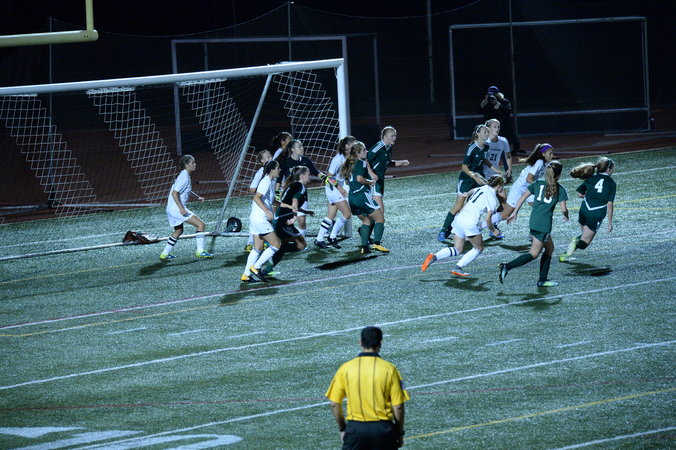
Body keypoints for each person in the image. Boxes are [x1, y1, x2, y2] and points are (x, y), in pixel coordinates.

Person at [326, 326, 410, 449]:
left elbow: (334, 404)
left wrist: (343, 428)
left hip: (355, 429)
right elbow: (398, 406)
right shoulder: (390, 369)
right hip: (383, 430)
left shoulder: (345, 368)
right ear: (380, 342)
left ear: (360, 342)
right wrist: (399, 432)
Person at [499, 161, 569, 287]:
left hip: (534, 221)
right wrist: (566, 215)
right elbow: (564, 209)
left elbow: (522, 196)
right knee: (534, 253)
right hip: (544, 225)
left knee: (549, 248)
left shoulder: (537, 184)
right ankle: (507, 266)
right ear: (558, 175)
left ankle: (542, 279)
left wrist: (515, 213)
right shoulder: (560, 189)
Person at [422, 175, 504, 276]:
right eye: (503, 185)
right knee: (478, 248)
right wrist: (494, 231)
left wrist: (466, 194)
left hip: (459, 219)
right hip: (470, 222)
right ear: (499, 185)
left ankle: (434, 257)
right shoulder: (492, 198)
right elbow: (488, 219)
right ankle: (458, 267)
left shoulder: (482, 188)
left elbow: (471, 191)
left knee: (457, 249)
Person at [438, 124, 502, 242]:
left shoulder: (486, 147)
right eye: (484, 132)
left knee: (480, 203)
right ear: (477, 134)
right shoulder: (471, 147)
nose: (487, 134)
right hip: (467, 179)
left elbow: (484, 160)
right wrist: (473, 176)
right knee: (458, 206)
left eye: (487, 132)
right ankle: (444, 230)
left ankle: (492, 228)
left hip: (479, 178)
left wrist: (495, 170)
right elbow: (464, 167)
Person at [480, 143, 555, 239]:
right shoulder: (539, 162)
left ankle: (534, 233)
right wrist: (541, 188)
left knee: (540, 209)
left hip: (528, 189)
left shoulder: (545, 163)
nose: (552, 155)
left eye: (552, 153)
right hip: (519, 189)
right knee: (505, 215)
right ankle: (480, 226)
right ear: (543, 154)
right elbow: (529, 179)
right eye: (550, 153)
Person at [560, 157, 616, 262]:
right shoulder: (611, 182)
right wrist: (609, 222)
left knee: (584, 235)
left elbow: (579, 193)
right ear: (609, 169)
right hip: (596, 212)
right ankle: (574, 243)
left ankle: (565, 255)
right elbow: (610, 203)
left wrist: (589, 196)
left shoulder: (591, 178)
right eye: (613, 168)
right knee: (584, 243)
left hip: (584, 209)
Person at [262, 165, 314, 276]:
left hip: (281, 219)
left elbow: (290, 203)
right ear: (302, 176)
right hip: (284, 221)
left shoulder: (293, 185)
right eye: (308, 174)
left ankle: (267, 269)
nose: (310, 176)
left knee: (283, 245)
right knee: (301, 245)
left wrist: (306, 211)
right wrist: (294, 217)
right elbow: (294, 201)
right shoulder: (300, 186)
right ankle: (270, 254)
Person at [160, 154, 212, 260]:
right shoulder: (184, 177)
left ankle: (164, 254)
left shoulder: (184, 175)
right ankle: (200, 251)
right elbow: (174, 193)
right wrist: (181, 209)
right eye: (192, 163)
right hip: (176, 209)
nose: (195, 164)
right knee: (201, 225)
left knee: (178, 230)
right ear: (186, 165)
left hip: (171, 208)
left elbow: (185, 190)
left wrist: (197, 197)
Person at [342, 141, 389, 254]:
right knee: (380, 218)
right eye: (364, 150)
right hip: (362, 195)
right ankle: (377, 244)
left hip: (352, 198)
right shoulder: (361, 163)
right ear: (358, 153)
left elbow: (350, 181)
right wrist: (369, 182)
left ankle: (364, 247)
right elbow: (359, 179)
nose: (367, 152)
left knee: (366, 220)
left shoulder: (349, 164)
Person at [241, 160, 282, 282]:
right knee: (276, 244)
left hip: (255, 218)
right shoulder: (266, 181)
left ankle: (246, 275)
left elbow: (272, 201)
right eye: (278, 168)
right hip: (260, 219)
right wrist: (267, 211)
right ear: (272, 170)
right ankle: (256, 267)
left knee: (257, 247)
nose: (279, 170)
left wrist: (287, 206)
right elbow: (256, 197)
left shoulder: (270, 181)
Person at [315, 136, 356, 249]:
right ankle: (332, 236)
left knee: (331, 216)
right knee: (347, 214)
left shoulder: (348, 157)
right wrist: (340, 188)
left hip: (335, 189)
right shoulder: (337, 159)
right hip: (333, 189)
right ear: (346, 146)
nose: (355, 146)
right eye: (353, 144)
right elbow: (329, 176)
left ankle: (319, 239)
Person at [278, 139, 326, 237]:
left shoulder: (305, 161)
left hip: (301, 195)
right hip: (289, 195)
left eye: (302, 146)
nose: (302, 148)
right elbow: (279, 180)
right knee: (284, 220)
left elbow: (316, 172)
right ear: (292, 149)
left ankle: (301, 240)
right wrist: (277, 194)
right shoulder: (285, 162)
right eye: (299, 147)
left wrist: (327, 179)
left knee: (302, 222)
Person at [367, 125, 409, 221]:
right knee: (380, 212)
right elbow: (365, 160)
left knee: (377, 212)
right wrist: (372, 174)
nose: (394, 138)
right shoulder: (378, 147)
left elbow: (387, 162)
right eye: (392, 136)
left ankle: (366, 227)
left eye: (395, 135)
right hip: (373, 182)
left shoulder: (388, 148)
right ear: (384, 137)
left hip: (380, 180)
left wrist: (401, 162)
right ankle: (367, 227)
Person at [244, 149, 273, 252]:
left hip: (268, 203)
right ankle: (250, 244)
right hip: (261, 204)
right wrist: (261, 191)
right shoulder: (260, 172)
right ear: (262, 160)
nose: (270, 158)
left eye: (270, 156)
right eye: (268, 157)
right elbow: (252, 189)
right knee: (259, 224)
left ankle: (260, 243)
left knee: (266, 223)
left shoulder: (272, 171)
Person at [479, 85, 521, 154]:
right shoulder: (487, 102)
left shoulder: (504, 101)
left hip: (503, 123)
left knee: (509, 137)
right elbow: (479, 111)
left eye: (493, 94)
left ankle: (512, 149)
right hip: (491, 124)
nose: (491, 96)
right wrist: (484, 102)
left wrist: (496, 103)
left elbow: (507, 111)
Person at [483, 119, 512, 183]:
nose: (497, 129)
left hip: (495, 174)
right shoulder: (484, 141)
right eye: (495, 127)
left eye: (498, 127)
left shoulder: (503, 141)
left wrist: (509, 169)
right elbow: (483, 159)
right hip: (483, 174)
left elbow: (508, 156)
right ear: (488, 128)